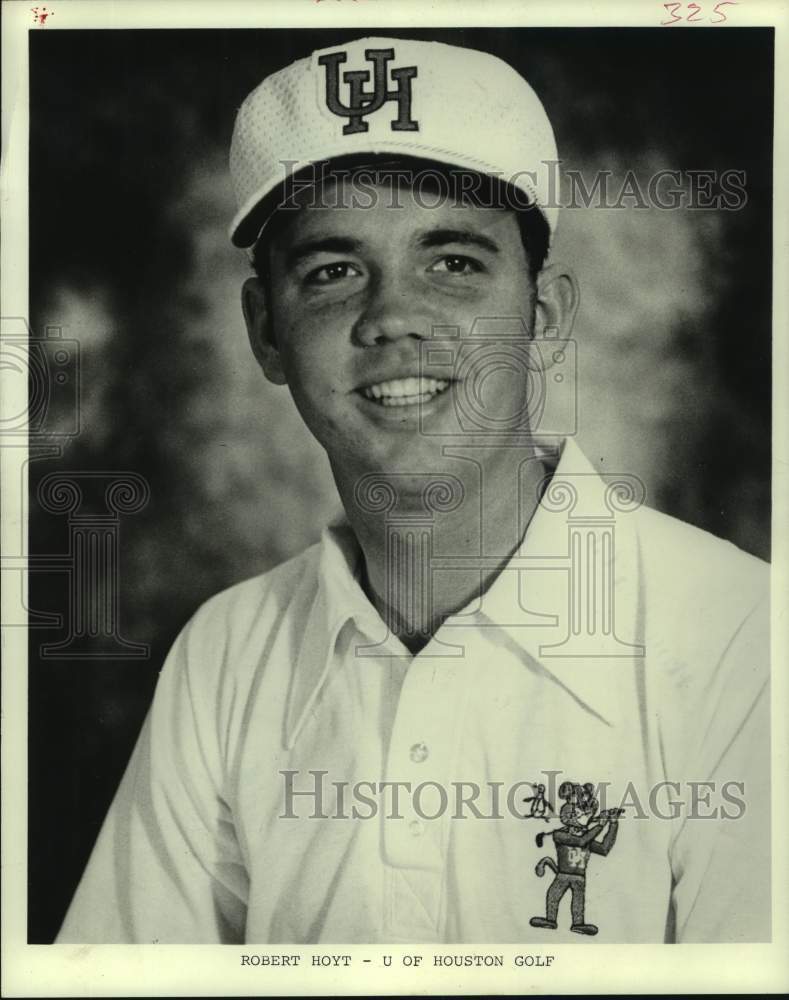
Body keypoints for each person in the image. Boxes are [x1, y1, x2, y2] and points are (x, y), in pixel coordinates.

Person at [57, 34, 770, 944]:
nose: (393, 316)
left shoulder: (741, 637)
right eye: (332, 272)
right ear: (265, 332)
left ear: (541, 317)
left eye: (454, 263)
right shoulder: (226, 655)